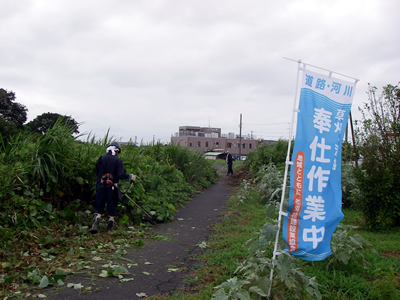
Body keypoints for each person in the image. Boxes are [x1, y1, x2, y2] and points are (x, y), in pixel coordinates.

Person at [89, 141, 136, 234]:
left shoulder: (101, 159)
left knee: (99, 206)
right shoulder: (117, 161)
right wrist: (129, 176)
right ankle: (109, 229)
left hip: (101, 186)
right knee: (112, 205)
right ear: (116, 151)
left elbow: (96, 172)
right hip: (112, 188)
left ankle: (95, 225)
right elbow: (120, 174)